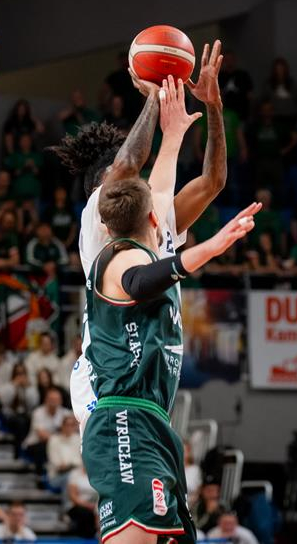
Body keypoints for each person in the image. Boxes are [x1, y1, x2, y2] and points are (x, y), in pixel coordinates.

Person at [83, 155, 258, 542]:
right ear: (152, 219)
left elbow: (161, 188)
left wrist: (174, 131)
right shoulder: (119, 256)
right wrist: (210, 248)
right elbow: (139, 281)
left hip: (152, 421)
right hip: (123, 418)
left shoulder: (148, 247)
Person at [55, 42, 228, 432]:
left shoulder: (156, 218)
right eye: (124, 178)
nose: (136, 179)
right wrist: (153, 94)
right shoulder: (97, 214)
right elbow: (128, 164)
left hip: (147, 384)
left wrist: (214, 107)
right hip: (106, 381)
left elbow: (213, 182)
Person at [22, 387, 67, 473]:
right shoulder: (38, 413)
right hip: (35, 443)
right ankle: (40, 474)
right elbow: (42, 435)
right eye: (51, 399)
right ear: (46, 400)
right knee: (44, 447)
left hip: (58, 444)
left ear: (61, 401)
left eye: (56, 399)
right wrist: (60, 439)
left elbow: (71, 432)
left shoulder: (65, 413)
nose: (54, 402)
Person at [65, 464, 98, 539]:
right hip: (78, 506)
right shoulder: (75, 474)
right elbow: (73, 496)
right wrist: (87, 505)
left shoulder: (98, 473)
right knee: (85, 514)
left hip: (95, 505)